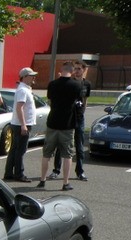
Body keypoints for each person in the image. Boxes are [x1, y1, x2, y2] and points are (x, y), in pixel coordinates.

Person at [36, 61, 83, 191]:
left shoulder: (52, 84)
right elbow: (79, 103)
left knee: (47, 154)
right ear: (72, 71)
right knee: (67, 155)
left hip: (52, 123)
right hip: (67, 125)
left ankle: (42, 180)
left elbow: (50, 101)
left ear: (61, 70)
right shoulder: (76, 85)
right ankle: (65, 182)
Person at [49, 60, 91, 181]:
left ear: (83, 70)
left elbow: (85, 100)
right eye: (75, 69)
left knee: (79, 144)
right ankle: (56, 170)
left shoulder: (86, 84)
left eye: (79, 69)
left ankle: (80, 171)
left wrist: (82, 112)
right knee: (61, 145)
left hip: (79, 118)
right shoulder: (69, 83)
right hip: (67, 118)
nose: (77, 71)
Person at [4, 67, 38, 183]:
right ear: (24, 77)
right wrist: (24, 125)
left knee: (14, 149)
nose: (34, 77)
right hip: (21, 124)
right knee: (20, 150)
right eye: (31, 75)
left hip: (19, 124)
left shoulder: (25, 89)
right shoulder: (23, 90)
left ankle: (9, 173)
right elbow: (20, 108)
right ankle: (19, 174)